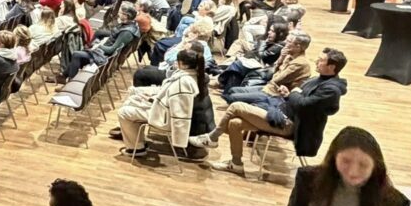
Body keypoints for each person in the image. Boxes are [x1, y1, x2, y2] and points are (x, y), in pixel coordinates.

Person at [192, 48, 349, 177]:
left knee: (236, 106)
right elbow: (299, 98)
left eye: (321, 60)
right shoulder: (319, 79)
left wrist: (293, 94)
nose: (317, 61)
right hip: (282, 113)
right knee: (235, 123)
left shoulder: (331, 90)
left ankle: (212, 138)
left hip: (292, 125)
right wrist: (292, 93)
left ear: (332, 67)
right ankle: (236, 164)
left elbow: (302, 103)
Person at [116, 47, 203, 158]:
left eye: (177, 61)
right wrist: (149, 97)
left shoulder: (183, 82)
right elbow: (167, 94)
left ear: (184, 65)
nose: (175, 63)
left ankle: (136, 148)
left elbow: (178, 112)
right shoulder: (191, 76)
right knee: (133, 98)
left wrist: (151, 100)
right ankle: (138, 143)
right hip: (164, 111)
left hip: (164, 118)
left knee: (124, 112)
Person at [224, 32, 313, 105]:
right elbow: (275, 73)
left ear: (298, 47)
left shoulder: (300, 63)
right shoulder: (290, 56)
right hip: (269, 87)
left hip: (275, 94)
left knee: (232, 97)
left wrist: (280, 66)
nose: (286, 44)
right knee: (232, 90)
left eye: (290, 42)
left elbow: (276, 79)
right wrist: (281, 59)